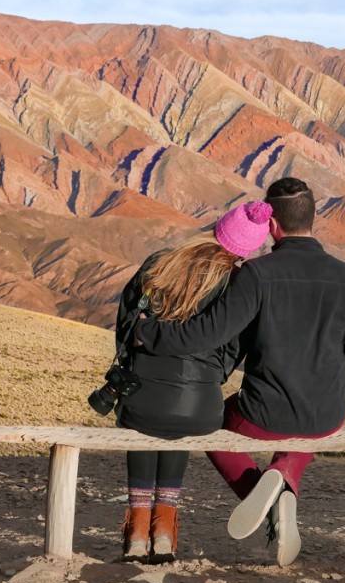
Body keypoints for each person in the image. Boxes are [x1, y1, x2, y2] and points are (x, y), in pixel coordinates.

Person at [135, 176, 345, 566]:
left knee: (212, 428)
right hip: (326, 415)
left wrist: (146, 332)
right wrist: (339, 396)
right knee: (309, 428)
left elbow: (204, 333)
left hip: (263, 415)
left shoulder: (257, 274)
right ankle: (284, 481)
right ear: (313, 218)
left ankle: (260, 496)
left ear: (272, 226)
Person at [114, 200, 272, 564]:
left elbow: (125, 328)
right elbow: (236, 347)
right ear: (247, 250)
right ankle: (165, 531)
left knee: (148, 412)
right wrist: (209, 378)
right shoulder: (238, 283)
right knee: (178, 415)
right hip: (202, 407)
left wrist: (134, 367)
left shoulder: (158, 264)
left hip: (140, 398)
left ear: (219, 228)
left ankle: (137, 532)